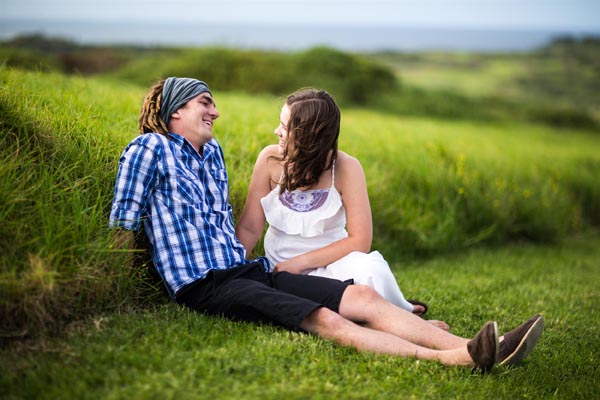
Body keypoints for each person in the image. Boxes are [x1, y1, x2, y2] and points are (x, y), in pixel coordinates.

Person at [109, 76, 544, 373]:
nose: (216, 112)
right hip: (205, 284)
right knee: (328, 320)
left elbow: (230, 230)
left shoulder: (212, 154)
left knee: (362, 296)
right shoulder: (148, 148)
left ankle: (487, 344)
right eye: (205, 103)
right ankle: (459, 360)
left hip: (248, 270)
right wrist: (115, 287)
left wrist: (259, 266)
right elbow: (124, 219)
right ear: (173, 111)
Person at [236, 88, 428, 320]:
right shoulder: (270, 160)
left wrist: (301, 263)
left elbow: (360, 240)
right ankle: (381, 312)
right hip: (282, 268)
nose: (277, 131)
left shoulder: (347, 168)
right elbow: (249, 227)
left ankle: (399, 311)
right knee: (321, 299)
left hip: (335, 262)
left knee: (372, 271)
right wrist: (233, 270)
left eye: (285, 127)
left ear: (310, 136)